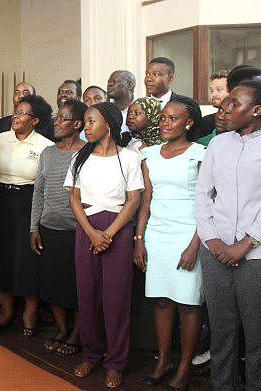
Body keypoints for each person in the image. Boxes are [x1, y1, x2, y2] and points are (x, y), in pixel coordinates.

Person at [64, 102, 143, 388]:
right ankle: (90, 355)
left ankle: (115, 362)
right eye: (84, 122)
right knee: (87, 296)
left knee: (116, 300)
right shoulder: (80, 158)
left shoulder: (130, 158)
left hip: (118, 230)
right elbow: (73, 197)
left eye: (90, 122)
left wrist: (108, 233)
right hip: (87, 228)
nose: (85, 127)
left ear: (108, 124)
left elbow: (133, 200)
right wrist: (92, 233)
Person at [134, 96, 205, 390]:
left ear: (188, 123)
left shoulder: (199, 154)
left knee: (188, 304)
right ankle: (163, 361)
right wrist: (140, 240)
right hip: (157, 235)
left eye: (173, 118)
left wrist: (194, 245)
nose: (165, 123)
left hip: (188, 235)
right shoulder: (148, 154)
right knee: (162, 300)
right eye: (163, 117)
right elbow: (146, 199)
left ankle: (185, 367)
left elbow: (206, 203)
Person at [195, 80, 261, 391]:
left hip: (255, 256)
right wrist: (214, 241)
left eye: (235, 104)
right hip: (216, 252)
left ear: (257, 110)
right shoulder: (219, 145)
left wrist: (246, 244)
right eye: (226, 103)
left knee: (256, 334)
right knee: (222, 333)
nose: (226, 109)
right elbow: (202, 195)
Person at [0, 94, 53, 337]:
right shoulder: (1, 139)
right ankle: (6, 310)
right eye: (15, 111)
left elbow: (45, 185)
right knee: (1, 256)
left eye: (22, 113)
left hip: (28, 201)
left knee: (27, 259)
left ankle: (30, 312)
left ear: (35, 120)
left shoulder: (45, 145)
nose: (16, 115)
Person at [30, 99, 87, 355]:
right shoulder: (48, 153)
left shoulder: (88, 153)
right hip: (49, 228)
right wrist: (34, 227)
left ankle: (78, 332)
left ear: (77, 124)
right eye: (57, 118)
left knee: (76, 287)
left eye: (63, 119)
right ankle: (63, 329)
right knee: (52, 285)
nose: (56, 123)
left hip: (77, 231)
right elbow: (38, 192)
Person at [193, 70, 229, 141]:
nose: (213, 95)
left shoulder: (241, 121)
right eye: (211, 91)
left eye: (219, 90)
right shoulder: (205, 122)